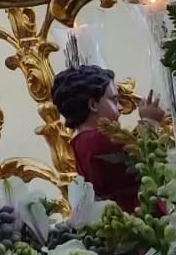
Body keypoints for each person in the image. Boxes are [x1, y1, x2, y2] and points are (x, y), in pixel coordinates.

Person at [51, 66, 163, 212]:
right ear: (93, 105)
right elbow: (142, 161)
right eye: (114, 100)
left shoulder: (83, 140)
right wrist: (150, 121)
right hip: (135, 212)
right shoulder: (95, 140)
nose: (121, 108)